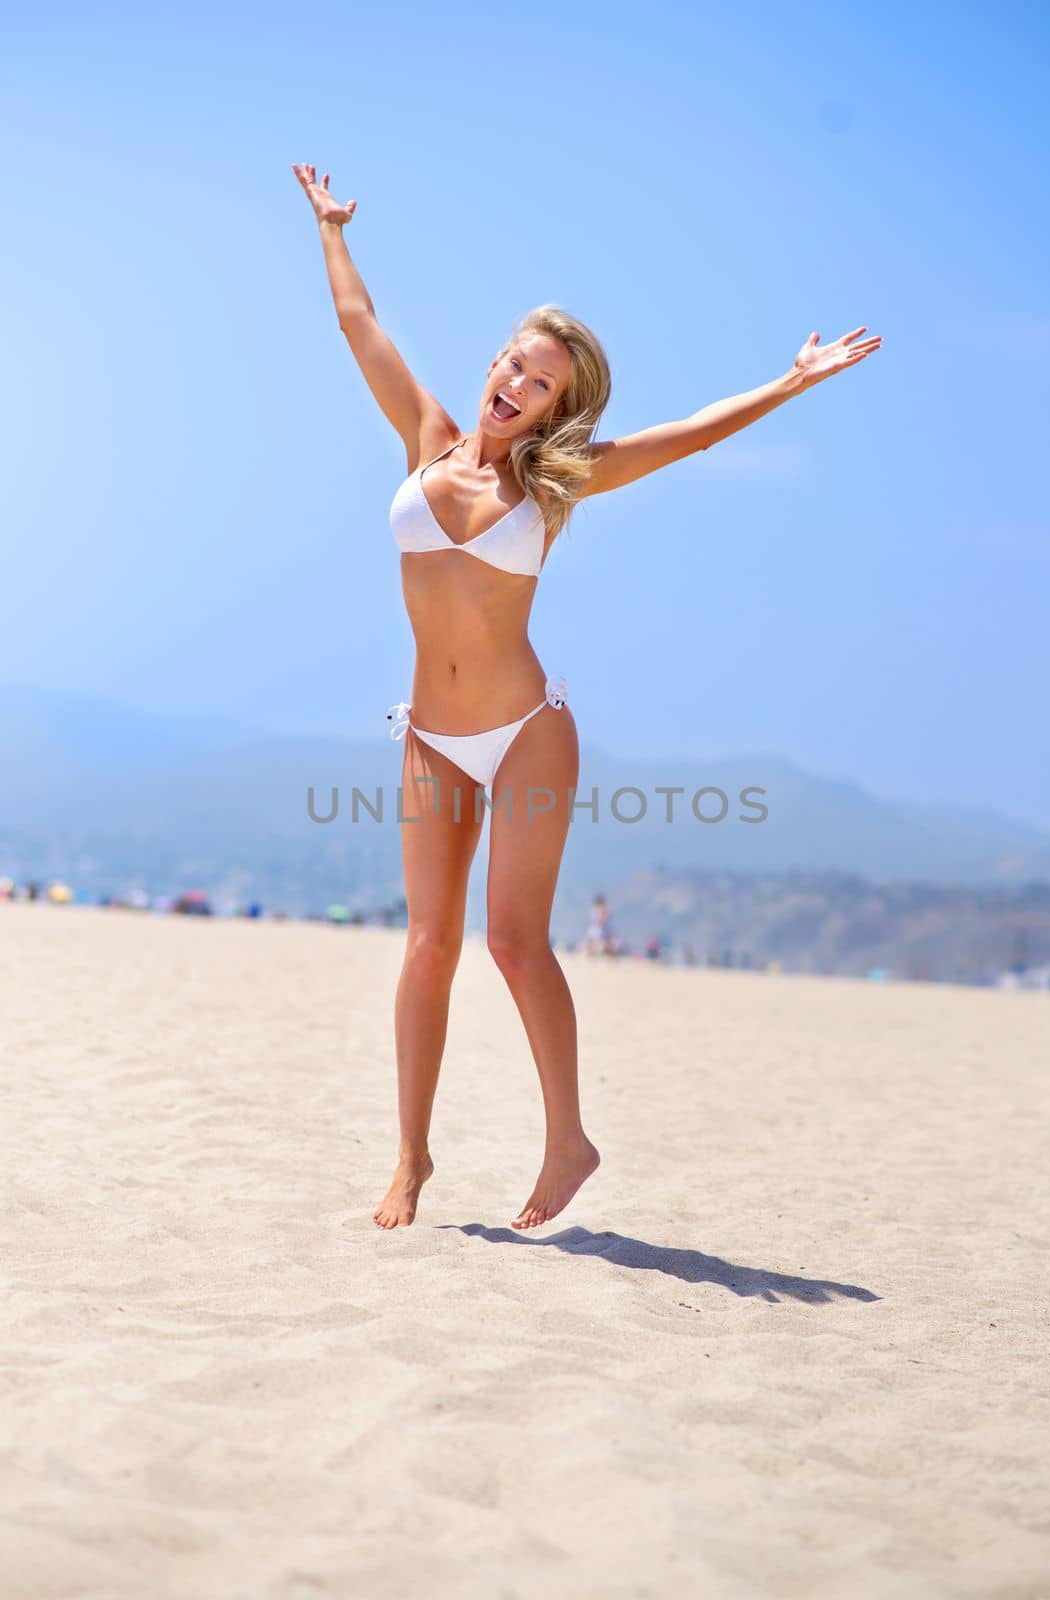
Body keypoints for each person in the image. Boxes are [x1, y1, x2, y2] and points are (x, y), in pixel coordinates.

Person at [293, 161, 881, 1231]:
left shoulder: (557, 483)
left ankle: (568, 1139)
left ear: (560, 405)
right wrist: (334, 227)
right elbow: (357, 321)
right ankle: (412, 1160)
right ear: (493, 364)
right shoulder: (426, 441)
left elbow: (692, 435)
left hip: (526, 735)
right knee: (427, 944)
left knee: (514, 941)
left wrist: (791, 383)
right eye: (514, 365)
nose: (517, 387)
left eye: (542, 383)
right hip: (429, 734)